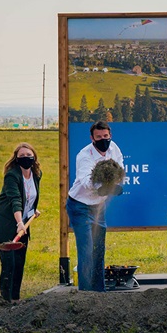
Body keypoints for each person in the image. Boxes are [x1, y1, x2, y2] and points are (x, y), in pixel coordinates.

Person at [66, 120, 124, 292]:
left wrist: (116, 184)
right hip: (80, 206)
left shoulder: (114, 148)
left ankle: (99, 294)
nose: (103, 140)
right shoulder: (84, 155)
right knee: (86, 251)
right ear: (92, 138)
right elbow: (85, 181)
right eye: (99, 137)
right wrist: (101, 187)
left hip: (99, 206)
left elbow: (119, 168)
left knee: (98, 250)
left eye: (106, 136)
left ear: (110, 135)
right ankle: (85, 295)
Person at [0, 143, 42, 302]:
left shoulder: (36, 174)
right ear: (16, 159)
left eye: (29, 155)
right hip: (4, 226)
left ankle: (16, 300)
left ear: (34, 157)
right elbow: (15, 200)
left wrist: (33, 210)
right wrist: (19, 222)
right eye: (22, 156)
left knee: (19, 264)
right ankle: (5, 301)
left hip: (23, 226)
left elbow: (29, 197)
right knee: (9, 264)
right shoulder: (12, 175)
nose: (26, 158)